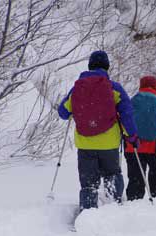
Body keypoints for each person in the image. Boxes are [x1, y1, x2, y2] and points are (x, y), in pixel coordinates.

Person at [58, 50, 138, 212]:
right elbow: (127, 114)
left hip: (85, 144)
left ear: (89, 66)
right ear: (107, 67)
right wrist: (132, 136)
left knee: (89, 183)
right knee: (112, 175)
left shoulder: (77, 89)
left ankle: (88, 214)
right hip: (109, 144)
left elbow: (63, 113)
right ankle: (113, 209)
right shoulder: (114, 88)